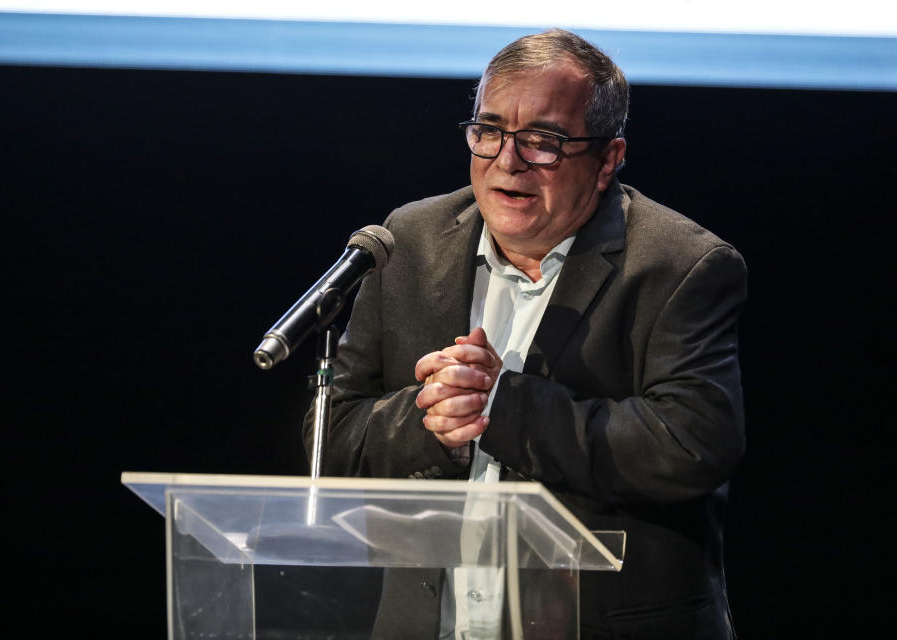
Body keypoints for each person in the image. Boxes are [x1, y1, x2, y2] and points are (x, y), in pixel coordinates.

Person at [306, 28, 747, 640]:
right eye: (488, 132)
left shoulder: (677, 265)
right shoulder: (407, 242)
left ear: (608, 160)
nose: (507, 161)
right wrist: (431, 420)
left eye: (544, 140)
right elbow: (331, 440)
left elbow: (693, 444)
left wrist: (503, 406)